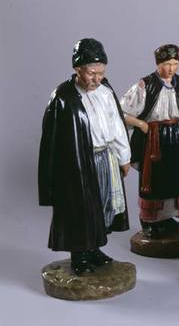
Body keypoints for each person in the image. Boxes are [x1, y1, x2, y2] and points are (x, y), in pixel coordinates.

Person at [38, 38, 131, 275]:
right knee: (80, 209)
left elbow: (117, 125)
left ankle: (94, 248)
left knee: (103, 205)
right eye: (92, 73)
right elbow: (51, 139)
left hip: (105, 157)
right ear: (77, 69)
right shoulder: (63, 97)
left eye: (101, 73)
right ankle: (79, 254)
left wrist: (124, 156)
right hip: (78, 163)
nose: (97, 79)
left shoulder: (105, 92)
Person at [121, 44, 179, 238]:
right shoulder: (145, 85)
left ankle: (167, 217)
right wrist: (141, 124)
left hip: (176, 137)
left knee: (175, 177)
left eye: (175, 63)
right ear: (158, 64)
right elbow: (121, 112)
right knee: (154, 180)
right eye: (167, 64)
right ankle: (150, 220)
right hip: (154, 139)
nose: (171, 68)